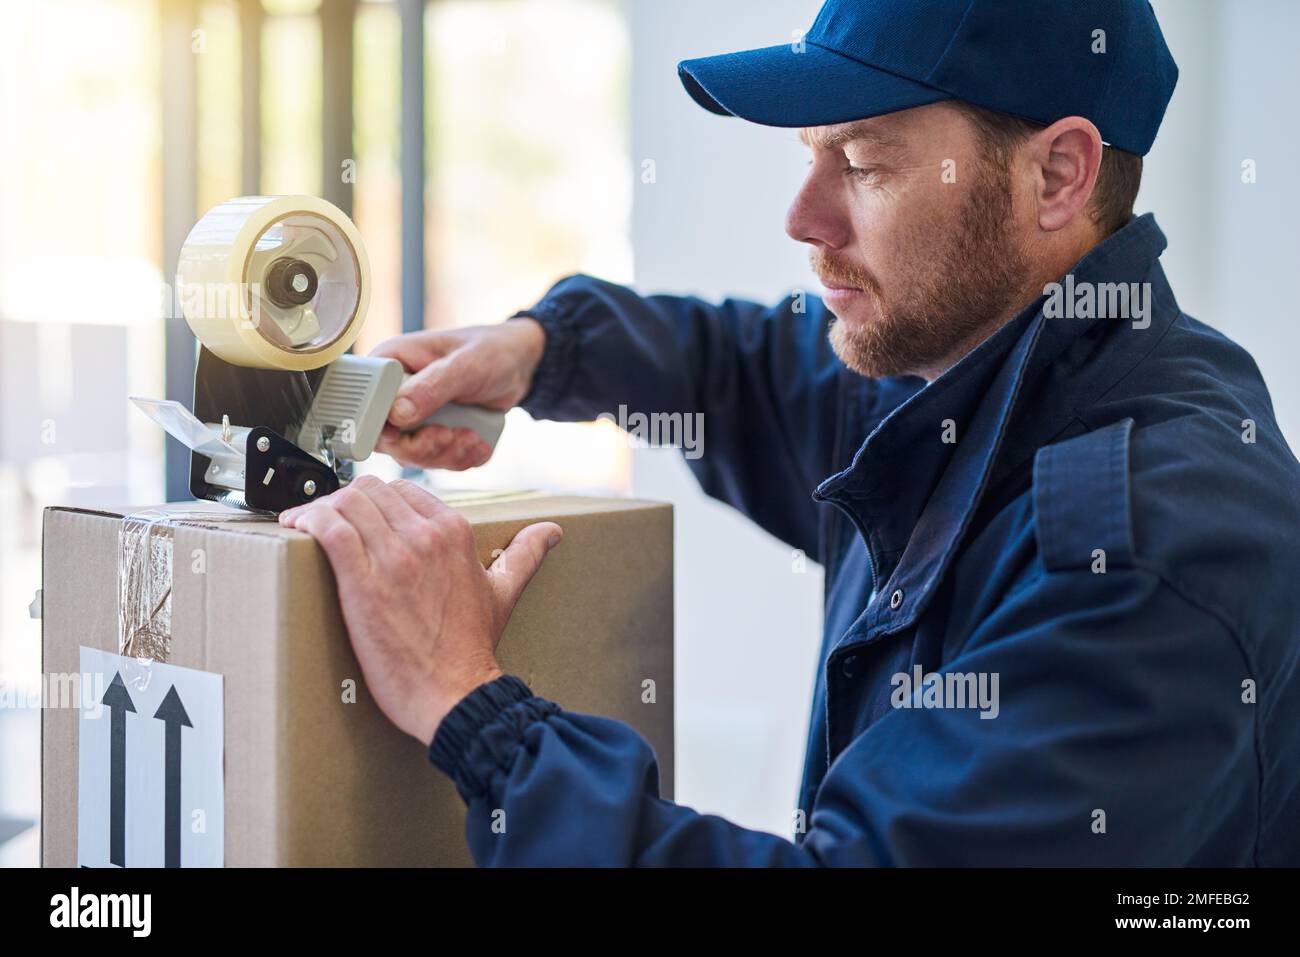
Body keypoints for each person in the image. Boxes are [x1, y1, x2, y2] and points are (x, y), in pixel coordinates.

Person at [278, 0, 1300, 865]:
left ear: (1057, 176)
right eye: (811, 156)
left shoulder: (1150, 549)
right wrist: (544, 348)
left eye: (862, 161)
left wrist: (472, 709)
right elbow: (739, 366)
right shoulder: (948, 368)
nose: (802, 218)